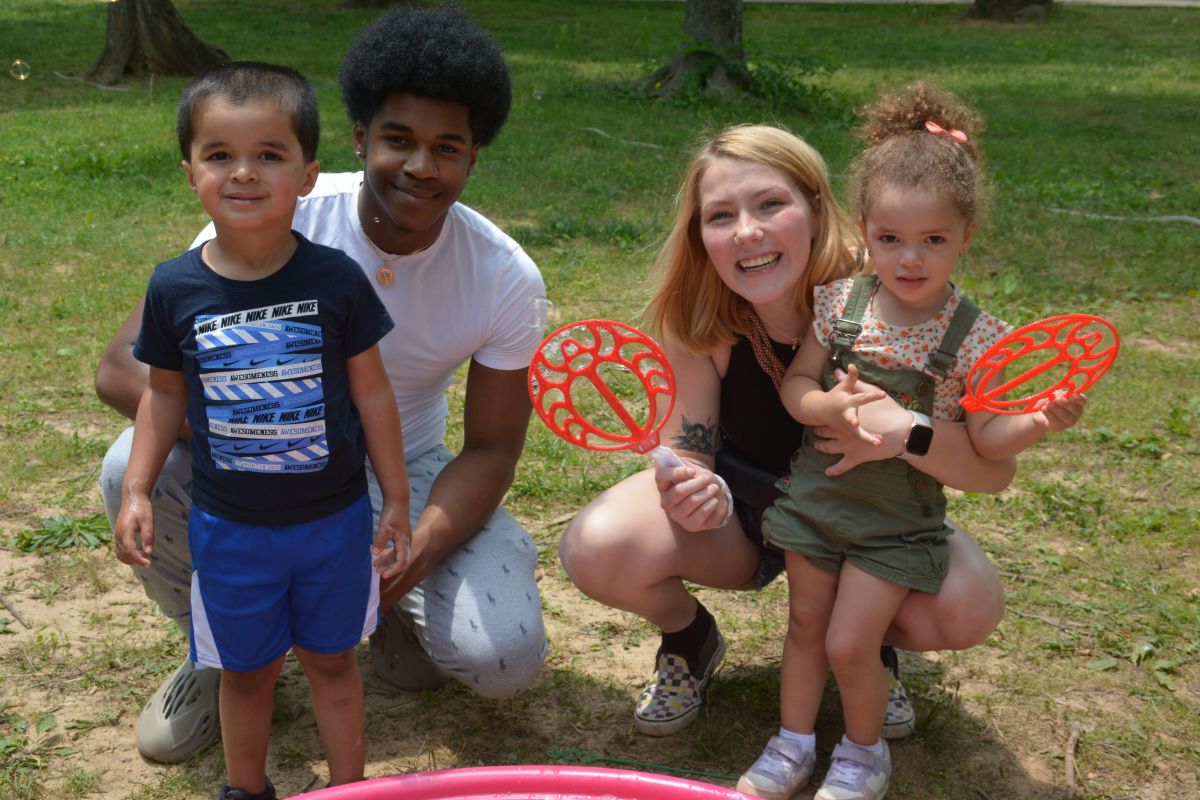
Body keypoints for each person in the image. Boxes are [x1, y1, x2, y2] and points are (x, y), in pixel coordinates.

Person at [96, 6, 546, 766]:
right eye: (398, 139)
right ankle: (220, 651)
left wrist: (413, 550)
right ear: (360, 138)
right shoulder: (274, 206)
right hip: (255, 473)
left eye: (447, 148)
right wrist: (268, 434)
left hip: (403, 465)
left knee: (502, 654)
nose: (420, 166)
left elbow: (494, 448)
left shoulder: (503, 274)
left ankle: (378, 616)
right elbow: (122, 369)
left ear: (475, 158)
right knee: (127, 467)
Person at [559, 123, 1016, 746]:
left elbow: (993, 469)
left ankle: (865, 644)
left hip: (872, 514)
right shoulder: (700, 315)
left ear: (817, 207)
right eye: (721, 215)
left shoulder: (893, 291)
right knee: (597, 546)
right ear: (700, 234)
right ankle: (690, 638)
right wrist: (692, 487)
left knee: (967, 605)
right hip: (750, 515)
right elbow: (690, 449)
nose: (747, 231)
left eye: (770, 204)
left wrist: (908, 431)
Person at [736, 84, 1087, 800]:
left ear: (966, 236)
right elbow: (796, 385)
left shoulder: (977, 339)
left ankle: (863, 756)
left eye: (934, 240)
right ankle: (792, 743)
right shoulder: (841, 304)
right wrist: (823, 404)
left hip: (894, 525)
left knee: (848, 642)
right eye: (891, 239)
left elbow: (989, 441)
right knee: (805, 625)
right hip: (817, 501)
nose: (911, 259)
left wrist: (1036, 421)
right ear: (865, 230)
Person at [112, 61, 413, 799]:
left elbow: (373, 394)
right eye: (220, 154)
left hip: (334, 525)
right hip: (230, 531)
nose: (244, 172)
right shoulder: (174, 286)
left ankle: (348, 791)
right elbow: (163, 397)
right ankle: (245, 790)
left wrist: (398, 499)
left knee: (333, 664)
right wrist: (139, 489)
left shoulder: (336, 280)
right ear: (191, 173)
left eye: (269, 154)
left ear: (307, 176)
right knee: (245, 674)